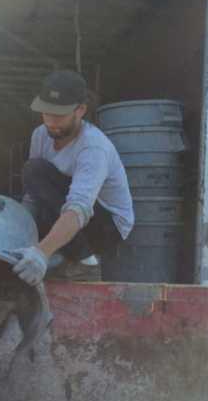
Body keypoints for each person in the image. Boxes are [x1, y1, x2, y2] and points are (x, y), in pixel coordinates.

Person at [10, 70, 134, 285]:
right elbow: (34, 194)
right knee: (33, 173)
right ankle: (62, 255)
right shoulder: (41, 134)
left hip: (106, 225)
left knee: (36, 172)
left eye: (58, 115)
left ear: (80, 110)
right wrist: (22, 231)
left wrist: (41, 253)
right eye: (46, 113)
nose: (50, 121)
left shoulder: (93, 148)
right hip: (66, 207)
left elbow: (79, 208)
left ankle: (84, 263)